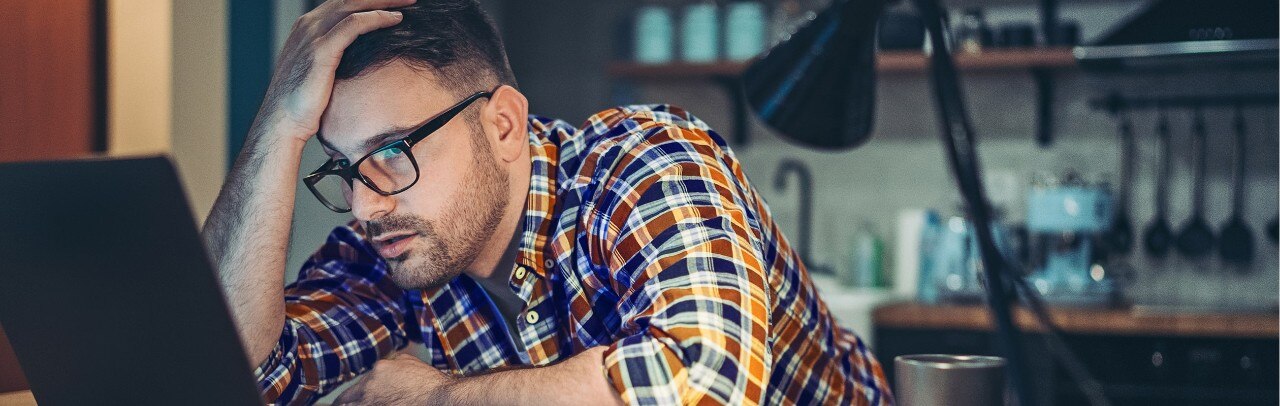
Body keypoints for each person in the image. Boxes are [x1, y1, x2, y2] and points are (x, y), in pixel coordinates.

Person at [201, 0, 891, 404]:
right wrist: (276, 126)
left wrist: (436, 398)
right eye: (343, 169)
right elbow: (239, 374)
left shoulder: (643, 159)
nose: (363, 205)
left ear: (502, 125)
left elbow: (700, 384)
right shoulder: (392, 244)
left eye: (392, 153)